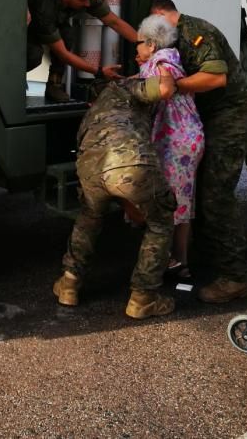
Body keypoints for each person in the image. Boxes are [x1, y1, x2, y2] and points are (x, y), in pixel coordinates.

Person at [147, 0, 247, 304]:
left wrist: (173, 87)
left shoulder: (196, 31)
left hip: (231, 119)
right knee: (200, 193)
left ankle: (235, 278)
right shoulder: (172, 39)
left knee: (216, 196)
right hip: (209, 120)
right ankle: (209, 260)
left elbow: (215, 77)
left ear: (159, 14)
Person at [52, 73, 178, 319]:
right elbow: (163, 89)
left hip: (90, 165)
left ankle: (69, 285)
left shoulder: (94, 110)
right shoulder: (126, 86)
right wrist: (168, 69)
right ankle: (143, 298)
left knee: (90, 216)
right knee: (161, 222)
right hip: (129, 161)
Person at [135, 14, 205, 278]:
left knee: (168, 203)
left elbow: (159, 88)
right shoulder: (172, 60)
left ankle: (169, 261)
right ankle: (180, 261)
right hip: (187, 139)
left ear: (152, 45)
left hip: (175, 143)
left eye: (139, 44)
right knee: (182, 202)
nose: (137, 49)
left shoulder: (160, 63)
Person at [27, 0, 139, 102]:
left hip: (53, 22)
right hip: (24, 30)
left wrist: (142, 43)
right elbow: (63, 54)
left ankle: (54, 84)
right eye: (82, 0)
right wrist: (99, 71)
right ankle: (10, 82)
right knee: (33, 55)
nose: (87, 4)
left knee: (67, 34)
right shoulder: (45, 5)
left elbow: (114, 22)